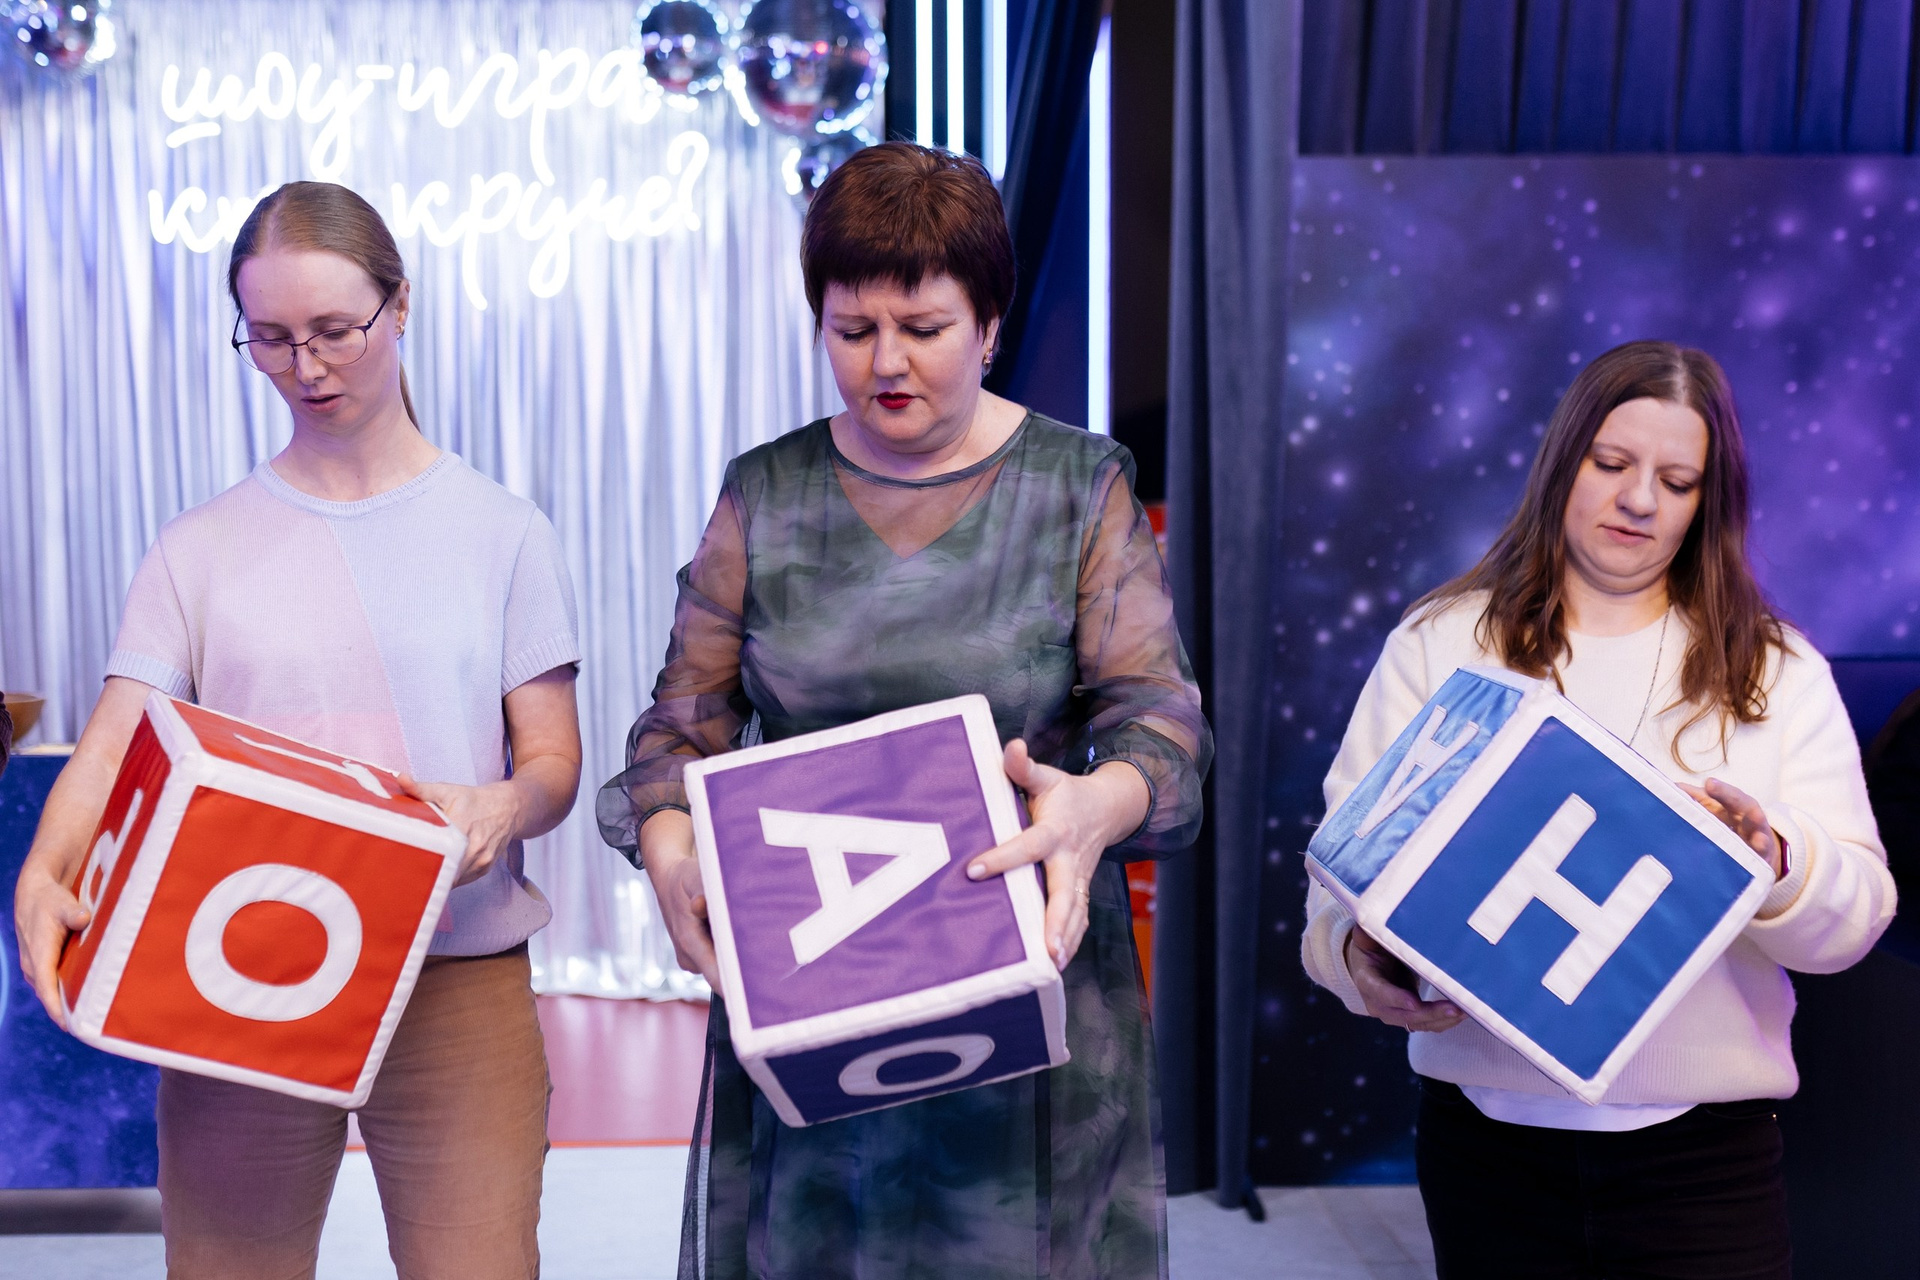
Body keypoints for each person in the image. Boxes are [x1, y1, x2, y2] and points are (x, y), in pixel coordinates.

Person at [597, 141, 1212, 1280]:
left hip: (1020, 975)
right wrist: (673, 844)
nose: (885, 362)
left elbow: (1160, 722)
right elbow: (680, 731)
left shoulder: (1077, 485)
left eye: (923, 328)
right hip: (813, 972)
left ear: (990, 326)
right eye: (851, 329)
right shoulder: (766, 492)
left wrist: (1097, 804)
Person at [11, 181, 582, 1279]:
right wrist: (46, 869)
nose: (306, 366)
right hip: (237, 966)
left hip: (453, 972)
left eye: (333, 330)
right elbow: (113, 741)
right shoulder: (198, 547)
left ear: (400, 305)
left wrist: (501, 806)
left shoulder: (504, 531)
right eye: (270, 338)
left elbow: (554, 761)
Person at [1301, 340, 1895, 1279]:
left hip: (1705, 1163)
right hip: (1486, 1152)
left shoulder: (1778, 671)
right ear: (1562, 462)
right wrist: (1353, 957)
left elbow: (1854, 920)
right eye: (1611, 463)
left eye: (1677, 481)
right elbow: (1342, 874)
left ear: (1707, 502)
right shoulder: (1440, 643)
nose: (1640, 500)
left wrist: (1778, 858)